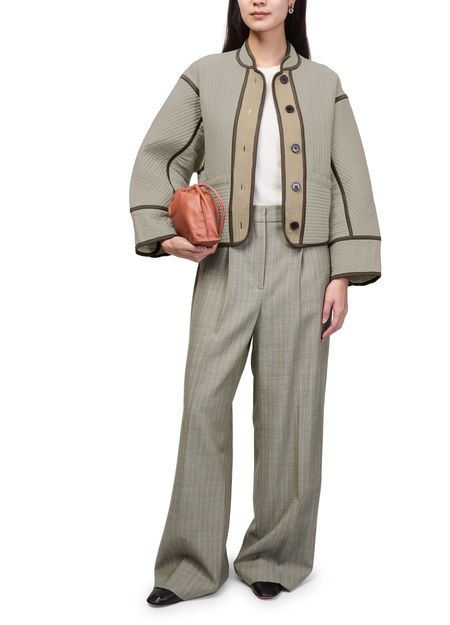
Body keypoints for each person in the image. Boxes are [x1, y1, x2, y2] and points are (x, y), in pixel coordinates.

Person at [129, 0, 382, 607]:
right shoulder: (205, 75)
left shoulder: (324, 83)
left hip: (306, 262)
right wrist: (164, 232)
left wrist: (342, 275)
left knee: (293, 410)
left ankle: (276, 556)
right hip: (225, 258)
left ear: (294, 1)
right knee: (203, 403)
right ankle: (189, 566)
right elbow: (161, 156)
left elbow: (349, 177)